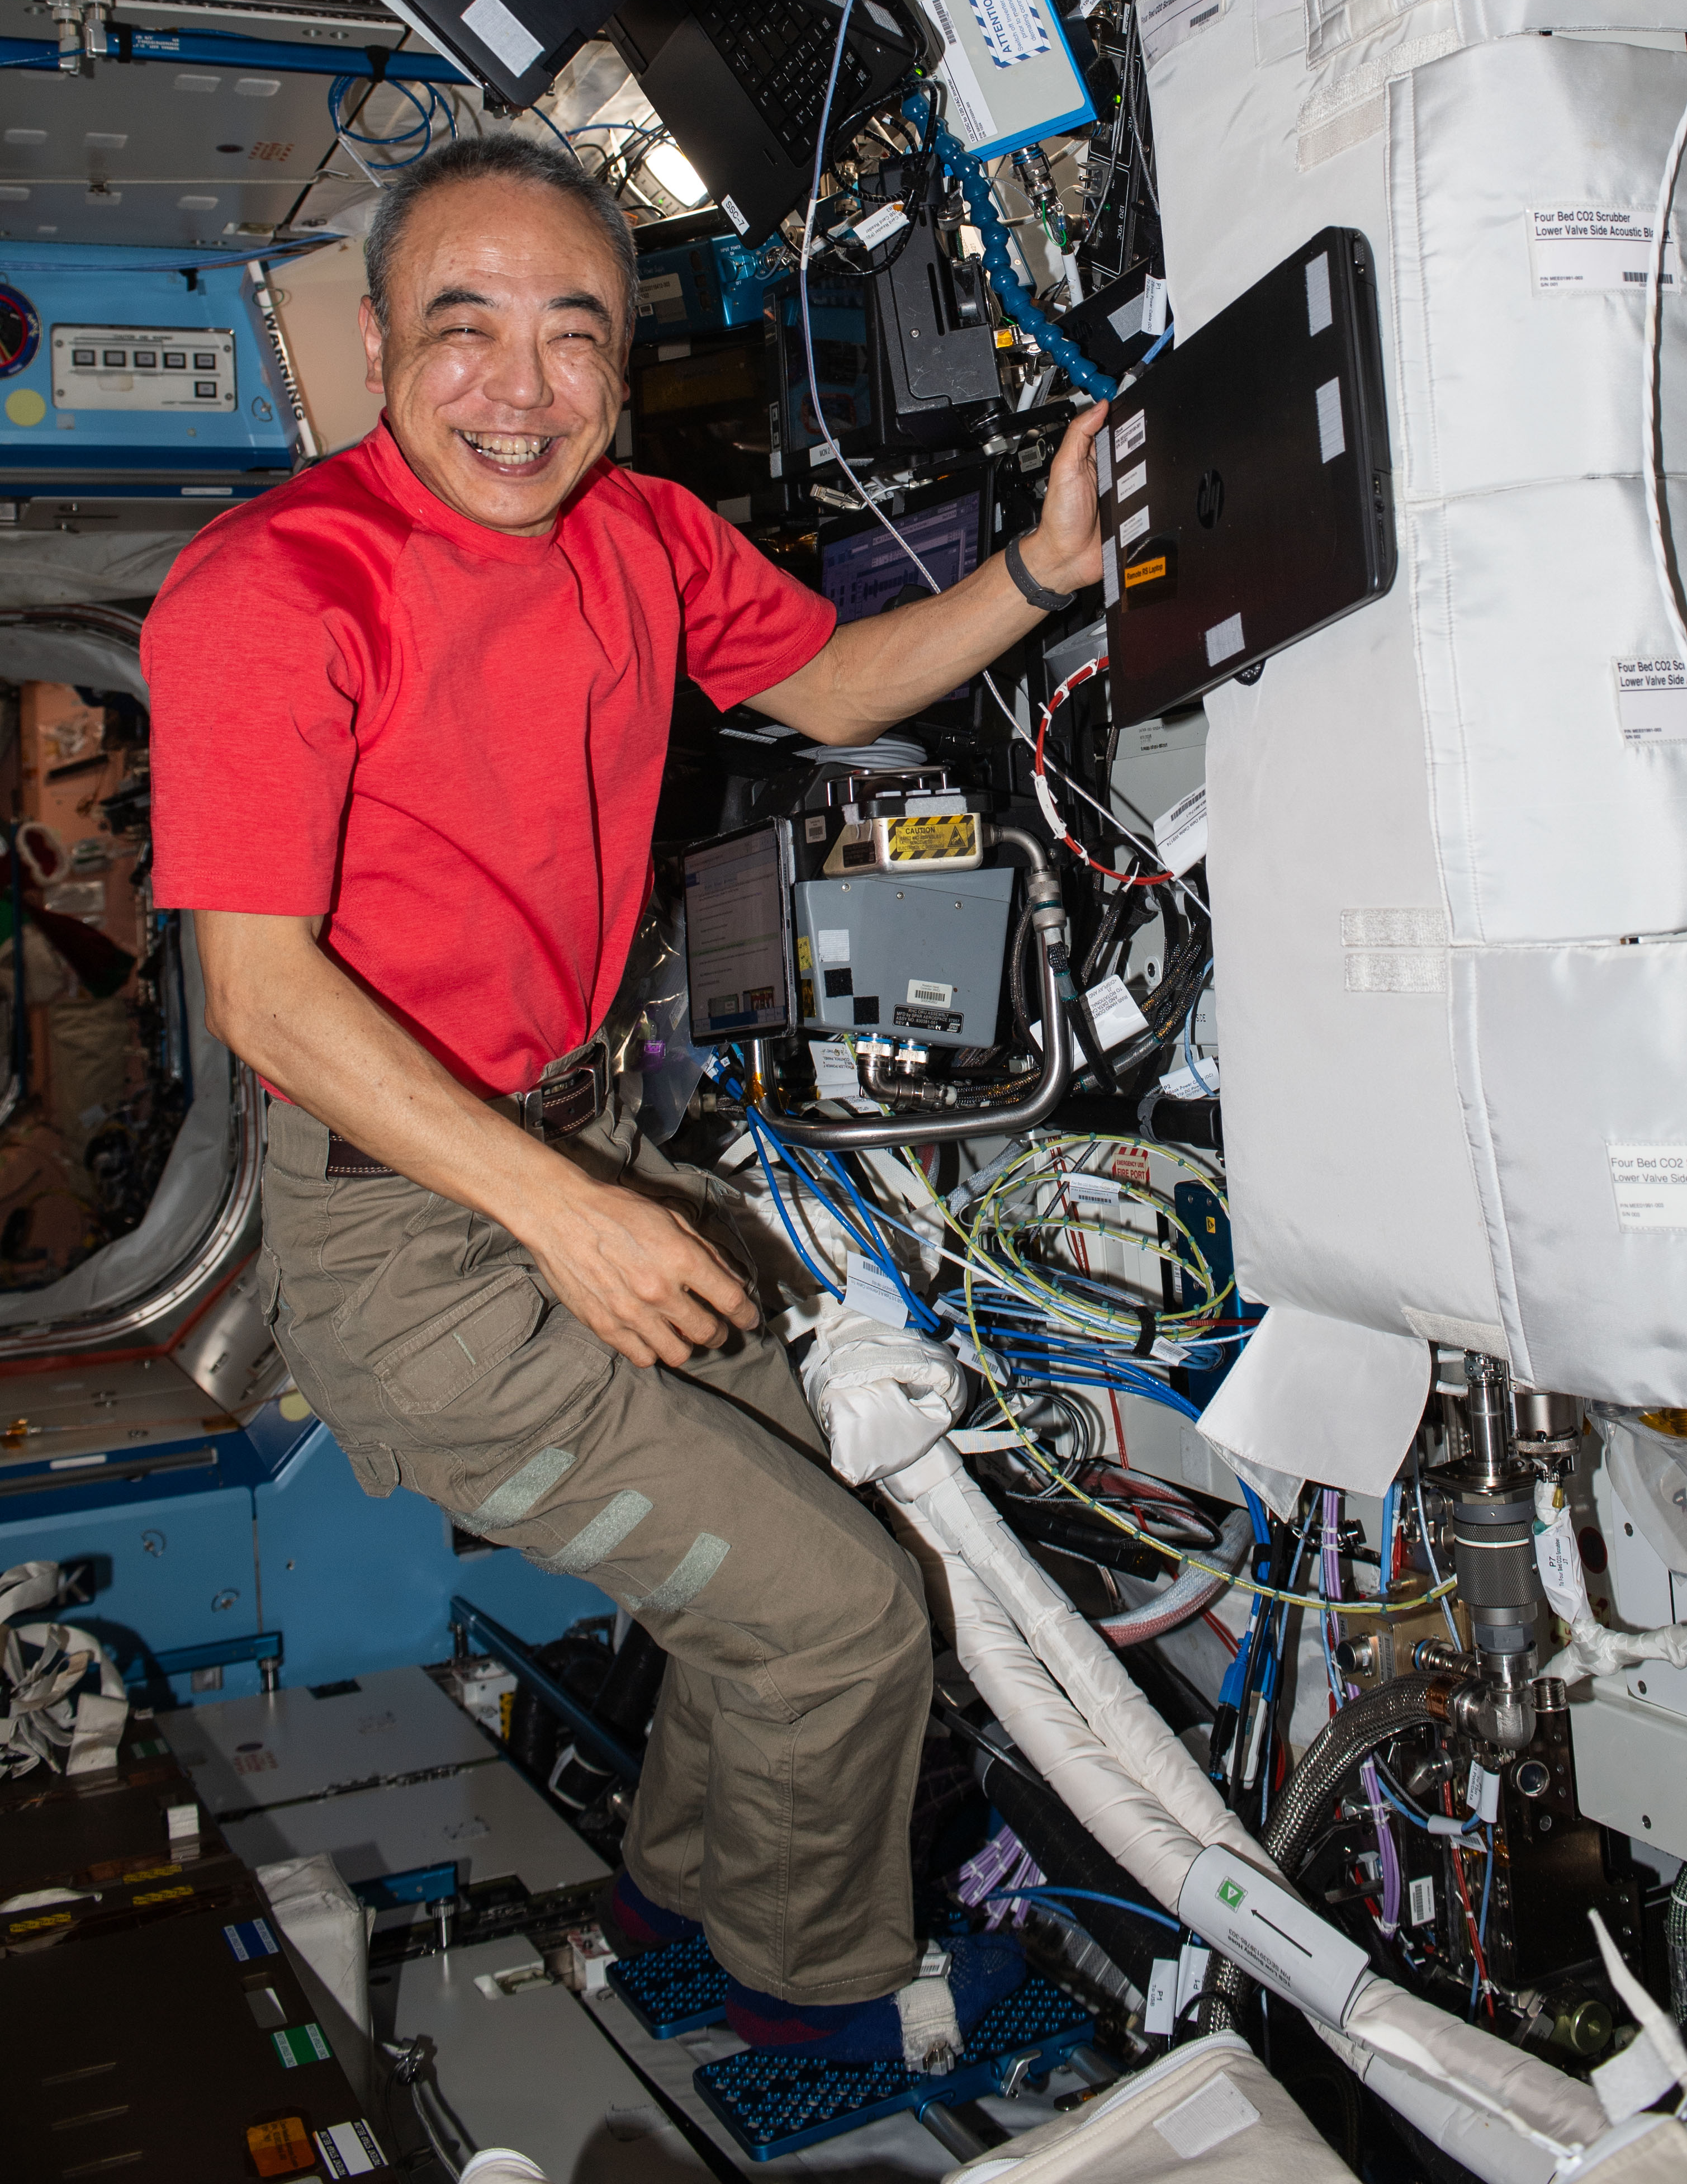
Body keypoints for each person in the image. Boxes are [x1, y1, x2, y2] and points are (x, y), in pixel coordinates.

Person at [143, 130, 1105, 2062]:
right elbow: (259, 987)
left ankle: (679, 1893)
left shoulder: (640, 535)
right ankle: (819, 2006)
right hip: (415, 1236)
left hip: (583, 1142)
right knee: (842, 1615)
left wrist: (1042, 568)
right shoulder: (273, 589)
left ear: (622, 359)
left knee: (811, 1502)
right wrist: (562, 1213)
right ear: (377, 343)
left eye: (573, 333)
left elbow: (837, 686)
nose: (523, 388)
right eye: (465, 327)